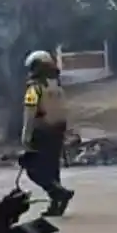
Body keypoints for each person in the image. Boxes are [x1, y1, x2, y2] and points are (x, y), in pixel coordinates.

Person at [19, 50, 75, 217]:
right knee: (52, 169)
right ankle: (57, 204)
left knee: (33, 169)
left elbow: (30, 114)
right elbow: (63, 111)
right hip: (57, 132)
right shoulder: (56, 87)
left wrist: (26, 136)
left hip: (41, 133)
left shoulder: (34, 89)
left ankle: (59, 194)